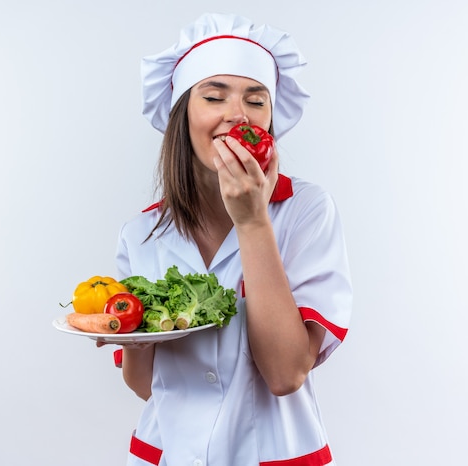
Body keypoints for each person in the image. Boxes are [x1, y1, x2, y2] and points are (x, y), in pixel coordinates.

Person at [111, 13, 352, 466]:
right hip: (167, 455)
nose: (237, 114)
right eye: (214, 96)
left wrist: (253, 222)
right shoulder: (140, 234)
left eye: (256, 101)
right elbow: (144, 385)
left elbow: (285, 374)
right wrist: (131, 336)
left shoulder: (307, 211)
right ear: (183, 114)